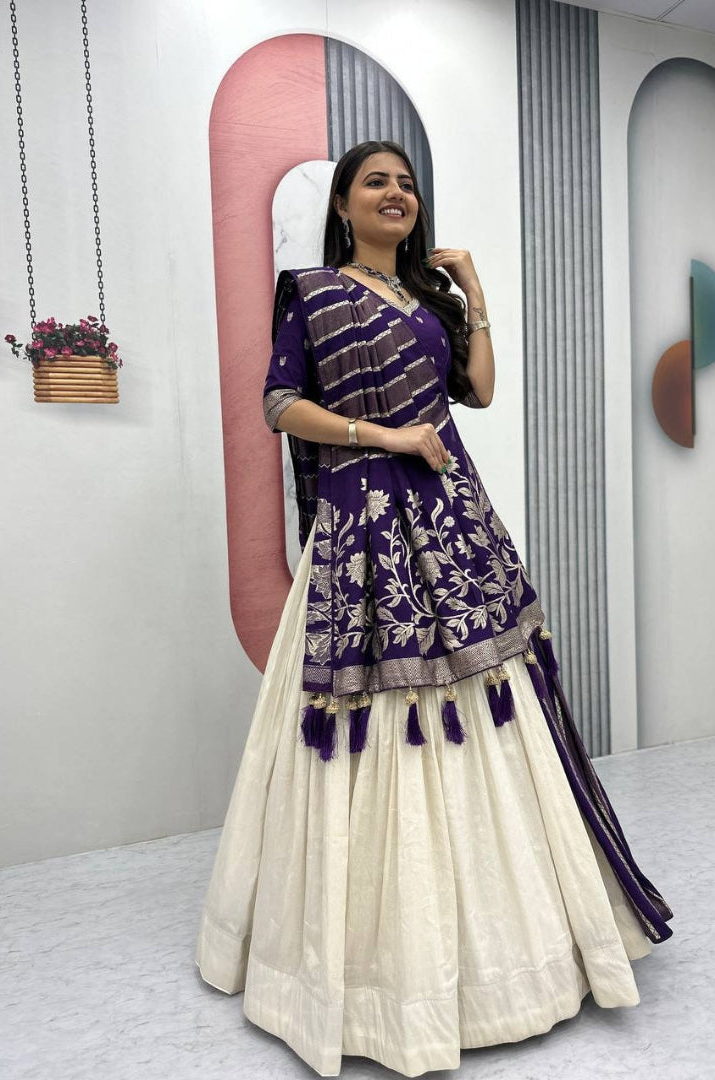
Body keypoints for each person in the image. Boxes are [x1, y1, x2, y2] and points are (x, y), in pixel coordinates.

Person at [195, 140, 673, 1077]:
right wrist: (383, 435)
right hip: (365, 520)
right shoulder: (313, 293)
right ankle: (371, 966)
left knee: (493, 709)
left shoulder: (426, 302)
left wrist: (473, 289)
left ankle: (514, 944)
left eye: (407, 184)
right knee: (371, 717)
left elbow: (479, 391)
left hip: (451, 522)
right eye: (376, 182)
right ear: (342, 206)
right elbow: (279, 404)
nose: (396, 194)